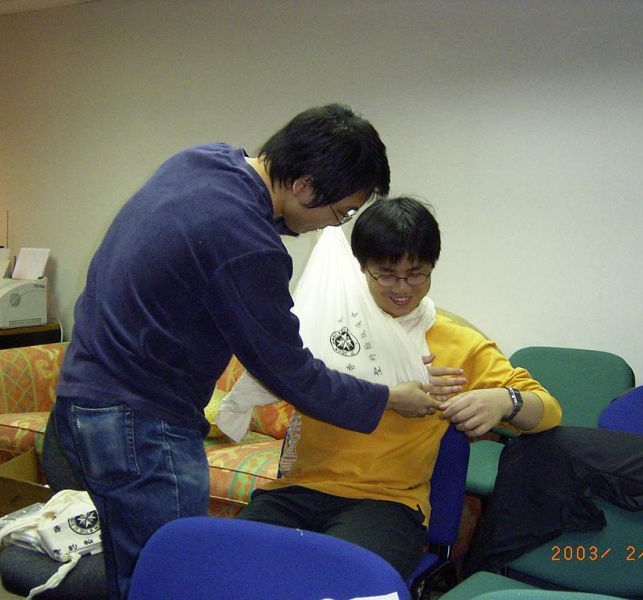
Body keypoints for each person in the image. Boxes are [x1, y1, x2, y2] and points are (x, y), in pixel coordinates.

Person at [52, 105, 450, 599]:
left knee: (138, 573)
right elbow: (292, 373)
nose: (334, 225)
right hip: (140, 424)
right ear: (304, 186)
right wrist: (388, 397)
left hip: (81, 398)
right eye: (342, 212)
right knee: (176, 583)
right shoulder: (249, 246)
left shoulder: (203, 161)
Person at [237, 196, 563, 579]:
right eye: (387, 275)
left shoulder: (460, 344)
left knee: (342, 581)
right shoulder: (326, 324)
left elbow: (548, 411)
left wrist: (504, 400)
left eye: (417, 273)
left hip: (386, 502)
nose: (403, 288)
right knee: (228, 570)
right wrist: (390, 396)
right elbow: (283, 376)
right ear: (362, 267)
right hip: (297, 490)